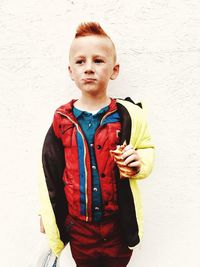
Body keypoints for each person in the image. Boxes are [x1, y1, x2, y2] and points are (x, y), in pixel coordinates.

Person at [39, 22, 155, 267]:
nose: (89, 68)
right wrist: (48, 216)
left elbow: (146, 148)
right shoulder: (62, 119)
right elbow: (48, 171)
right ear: (71, 71)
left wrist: (139, 163)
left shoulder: (128, 115)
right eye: (81, 62)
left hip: (118, 227)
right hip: (79, 229)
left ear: (114, 69)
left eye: (98, 61)